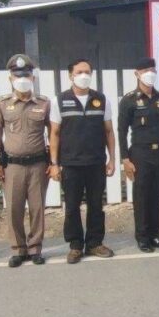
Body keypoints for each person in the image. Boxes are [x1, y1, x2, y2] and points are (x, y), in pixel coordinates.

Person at [49, 58, 116, 264]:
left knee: (96, 205)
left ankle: (95, 243)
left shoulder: (101, 99)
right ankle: (76, 246)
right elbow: (54, 133)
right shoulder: (60, 100)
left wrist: (112, 159)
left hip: (96, 163)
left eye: (87, 72)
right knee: (72, 207)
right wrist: (54, 163)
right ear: (71, 75)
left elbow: (108, 131)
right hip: (71, 164)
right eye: (79, 72)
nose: (84, 75)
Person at [0, 54, 51, 267]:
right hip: (12, 165)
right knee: (14, 209)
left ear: (32, 78)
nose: (22, 79)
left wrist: (53, 162)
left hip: (38, 164)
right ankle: (18, 249)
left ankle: (35, 248)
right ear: (10, 78)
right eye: (18, 76)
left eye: (26, 75)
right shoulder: (2, 104)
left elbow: (54, 134)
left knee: (37, 208)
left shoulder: (43, 103)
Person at [117, 58, 159, 253]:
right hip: (140, 153)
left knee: (157, 195)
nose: (150, 73)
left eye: (153, 70)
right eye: (145, 70)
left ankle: (155, 234)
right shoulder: (129, 100)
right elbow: (122, 131)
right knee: (141, 196)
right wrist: (125, 159)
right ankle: (142, 237)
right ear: (137, 74)